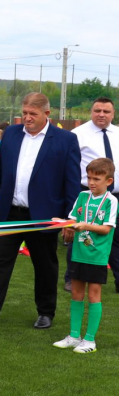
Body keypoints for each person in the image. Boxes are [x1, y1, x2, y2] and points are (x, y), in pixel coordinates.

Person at [0, 93, 80, 330]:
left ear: (47, 114)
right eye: (25, 113)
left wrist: (71, 217)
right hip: (10, 212)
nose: (27, 118)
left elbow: (71, 182)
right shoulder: (11, 134)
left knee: (45, 264)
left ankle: (46, 312)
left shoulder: (65, 140)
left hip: (45, 216)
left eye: (33, 114)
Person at [53, 158, 116, 354]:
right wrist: (62, 223)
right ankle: (74, 336)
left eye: (97, 179)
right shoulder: (82, 196)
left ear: (109, 181)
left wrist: (84, 226)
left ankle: (90, 340)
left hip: (96, 256)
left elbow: (106, 229)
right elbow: (73, 218)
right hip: (78, 253)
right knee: (76, 294)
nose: (92, 183)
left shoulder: (111, 201)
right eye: (89, 178)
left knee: (93, 296)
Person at [65, 98, 119, 292]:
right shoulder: (77, 134)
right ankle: (72, 277)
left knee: (115, 237)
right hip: (86, 195)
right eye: (97, 110)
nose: (101, 114)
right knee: (80, 233)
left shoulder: (118, 133)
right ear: (91, 111)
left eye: (106, 111)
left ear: (113, 113)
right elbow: (68, 166)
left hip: (115, 196)